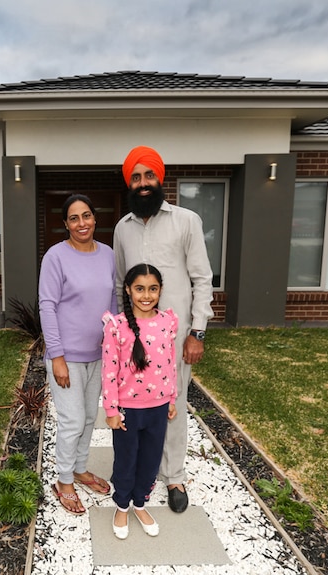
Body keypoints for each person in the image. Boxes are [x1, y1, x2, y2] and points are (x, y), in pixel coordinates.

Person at [113, 145, 214, 514]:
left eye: (148, 175)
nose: (142, 183)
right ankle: (140, 472)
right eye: (135, 177)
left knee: (173, 404)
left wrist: (197, 331)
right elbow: (118, 283)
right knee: (135, 406)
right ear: (130, 182)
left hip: (174, 337)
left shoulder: (187, 221)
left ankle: (173, 475)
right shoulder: (122, 229)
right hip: (133, 339)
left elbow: (203, 279)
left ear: (160, 178)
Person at [39, 194, 118, 514]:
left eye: (86, 216)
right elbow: (47, 305)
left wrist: (115, 346)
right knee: (72, 420)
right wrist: (56, 356)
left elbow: (113, 302)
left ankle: (80, 467)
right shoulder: (56, 257)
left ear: (95, 219)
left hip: (99, 354)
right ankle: (63, 479)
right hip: (67, 356)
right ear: (65, 224)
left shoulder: (109, 255)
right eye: (74, 218)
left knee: (88, 417)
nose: (82, 223)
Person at [102, 263, 178, 539]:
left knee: (150, 460)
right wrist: (111, 409)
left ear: (160, 290)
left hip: (157, 408)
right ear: (128, 290)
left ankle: (140, 503)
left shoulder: (167, 322)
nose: (147, 295)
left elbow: (170, 365)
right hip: (127, 410)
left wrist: (171, 398)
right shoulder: (117, 326)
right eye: (140, 289)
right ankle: (122, 505)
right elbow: (109, 372)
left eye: (153, 289)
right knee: (126, 460)